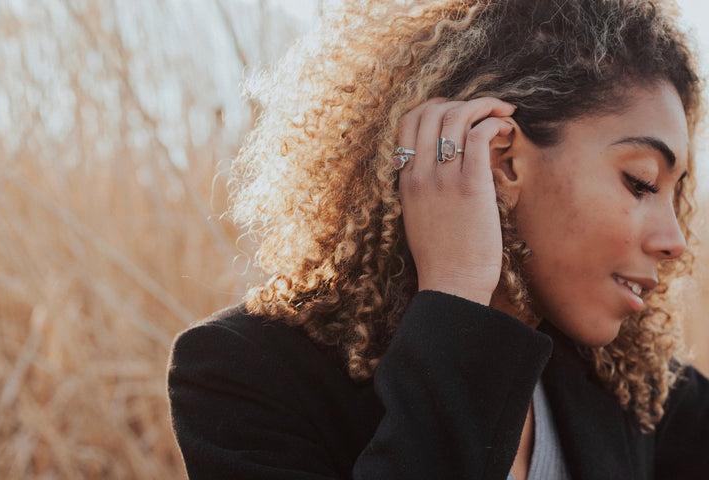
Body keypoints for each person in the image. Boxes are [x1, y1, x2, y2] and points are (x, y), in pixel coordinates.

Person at [167, 0, 709, 478]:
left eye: (673, 193)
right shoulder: (245, 376)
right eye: (640, 182)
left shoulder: (641, 394)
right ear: (501, 160)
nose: (675, 241)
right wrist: (456, 296)